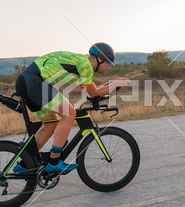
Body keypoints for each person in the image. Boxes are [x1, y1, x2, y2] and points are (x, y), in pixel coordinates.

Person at [14, 42, 130, 173]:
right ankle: (53, 161)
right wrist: (116, 84)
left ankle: (25, 164)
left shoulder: (81, 64)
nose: (108, 66)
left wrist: (112, 84)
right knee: (69, 114)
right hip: (34, 82)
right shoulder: (85, 65)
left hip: (27, 82)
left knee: (51, 124)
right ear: (100, 58)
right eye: (108, 61)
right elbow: (93, 93)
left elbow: (89, 93)